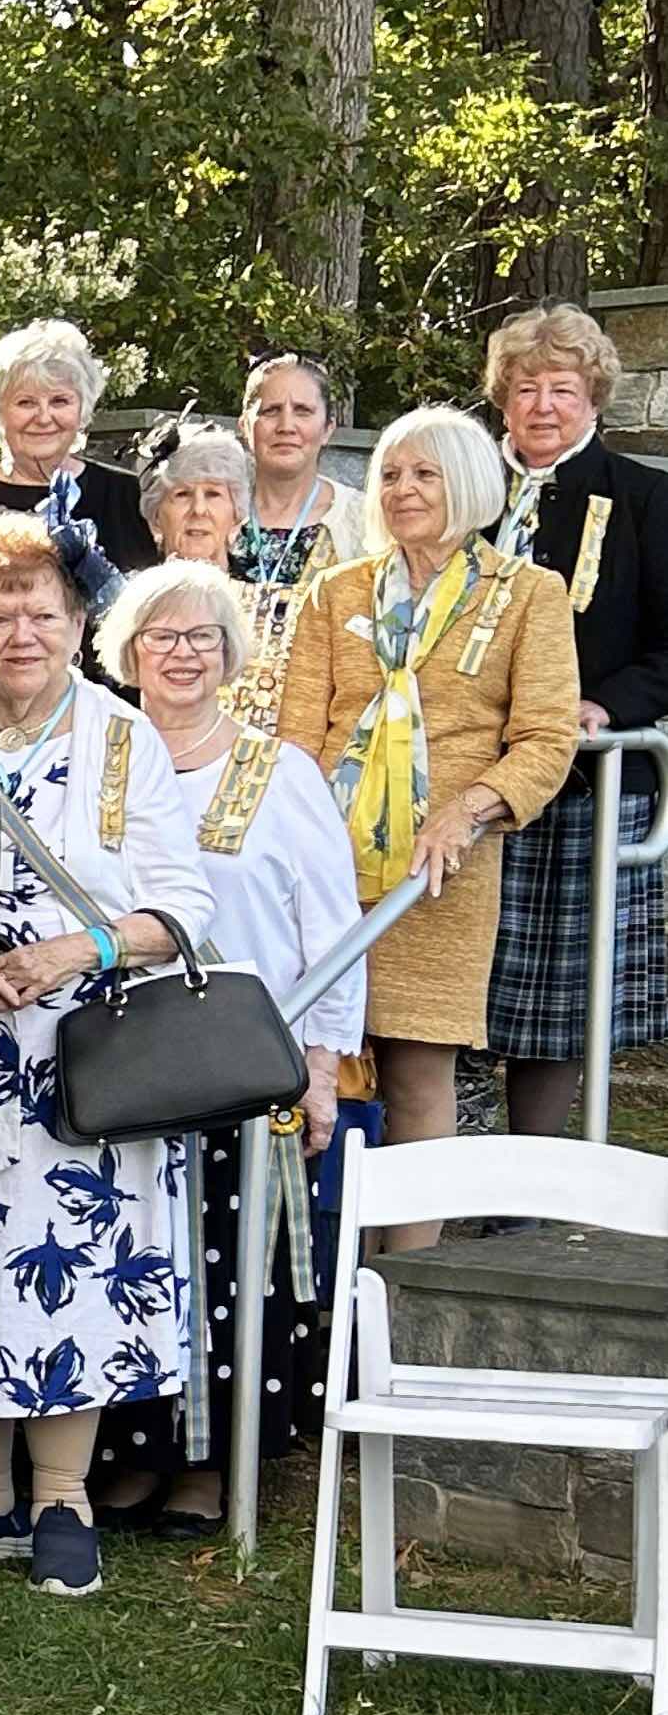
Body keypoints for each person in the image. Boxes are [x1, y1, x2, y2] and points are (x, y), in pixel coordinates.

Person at [0, 518, 211, 1603]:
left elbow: (183, 906)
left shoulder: (123, 740)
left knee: (73, 1265)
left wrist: (71, 949)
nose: (20, 630)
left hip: (86, 1051)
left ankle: (61, 1500)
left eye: (41, 610)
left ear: (79, 622)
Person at [86, 563, 365, 1536]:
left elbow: (331, 928)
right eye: (159, 636)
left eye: (200, 636)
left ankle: (209, 1466)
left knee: (224, 1270)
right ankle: (126, 1456)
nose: (179, 653)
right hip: (121, 1060)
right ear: (126, 652)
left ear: (229, 655)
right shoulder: (98, 765)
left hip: (243, 1064)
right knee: (132, 1260)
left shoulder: (277, 771)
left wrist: (322, 1067)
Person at [276, 406, 586, 1221]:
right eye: (389, 473)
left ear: (472, 483)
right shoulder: (334, 592)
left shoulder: (528, 595)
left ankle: (402, 1289)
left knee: (417, 1073)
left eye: (425, 473)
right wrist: (295, 851)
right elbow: (297, 739)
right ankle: (315, 1293)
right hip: (327, 870)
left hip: (439, 872)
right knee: (316, 1064)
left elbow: (547, 738)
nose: (403, 489)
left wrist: (470, 811)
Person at [480, 305, 668, 1135]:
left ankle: (526, 1207)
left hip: (585, 780)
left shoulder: (646, 499)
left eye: (562, 388)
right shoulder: (465, 492)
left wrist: (605, 704)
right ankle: (424, 1203)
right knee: (431, 996)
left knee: (551, 1009)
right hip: (456, 776)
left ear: (594, 398)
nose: (544, 406)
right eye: (527, 389)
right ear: (503, 400)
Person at [0, 318, 156, 600]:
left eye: (59, 401)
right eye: (26, 402)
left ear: (83, 408)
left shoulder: (124, 495)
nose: (44, 418)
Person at [232, 352, 372, 729]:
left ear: (328, 427)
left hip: (315, 735)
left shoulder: (362, 521)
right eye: (271, 410)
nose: (286, 425)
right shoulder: (213, 511)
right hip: (213, 735)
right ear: (245, 425)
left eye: (303, 411)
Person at [139, 421, 254, 568]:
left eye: (213, 494)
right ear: (155, 519)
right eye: (182, 494)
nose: (199, 510)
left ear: (236, 517)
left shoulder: (263, 591)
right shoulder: (128, 590)